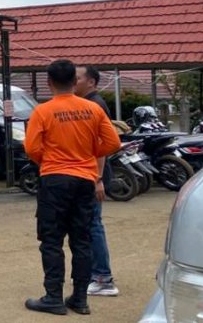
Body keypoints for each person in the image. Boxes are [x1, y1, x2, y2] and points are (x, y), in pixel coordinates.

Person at [24, 59, 121, 316]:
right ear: (74, 81)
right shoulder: (92, 109)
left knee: (51, 240)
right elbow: (113, 143)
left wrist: (49, 160)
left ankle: (53, 297)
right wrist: (89, 153)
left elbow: (31, 148)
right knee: (82, 240)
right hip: (85, 179)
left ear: (49, 82)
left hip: (54, 179)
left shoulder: (43, 111)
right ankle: (79, 298)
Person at [74, 65, 121, 298]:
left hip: (94, 175)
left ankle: (103, 278)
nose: (73, 81)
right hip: (89, 174)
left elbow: (101, 146)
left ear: (91, 82)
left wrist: (97, 178)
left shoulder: (94, 105)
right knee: (87, 224)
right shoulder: (86, 104)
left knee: (93, 224)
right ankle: (93, 273)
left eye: (77, 78)